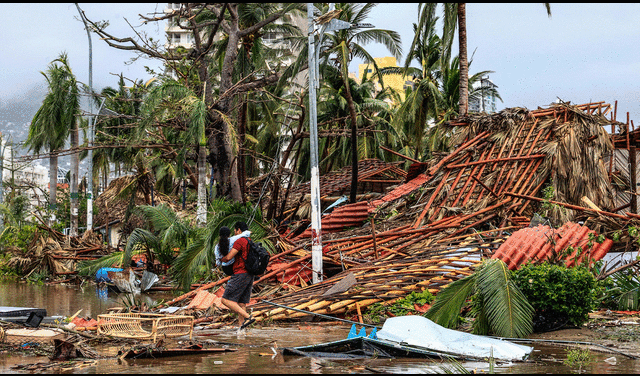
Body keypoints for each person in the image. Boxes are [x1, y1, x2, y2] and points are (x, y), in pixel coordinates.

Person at [220, 221, 256, 332]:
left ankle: (248, 317)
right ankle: (242, 330)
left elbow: (229, 257)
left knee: (225, 300)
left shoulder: (240, 241)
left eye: (235, 231)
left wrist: (220, 260)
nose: (234, 233)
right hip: (250, 274)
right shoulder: (250, 241)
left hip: (240, 273)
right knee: (241, 303)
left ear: (239, 230)